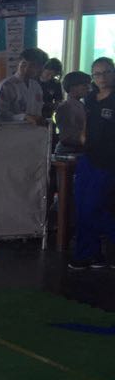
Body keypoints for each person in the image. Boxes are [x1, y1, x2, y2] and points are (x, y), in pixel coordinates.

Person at [72, 57, 115, 270]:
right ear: (92, 77)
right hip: (88, 157)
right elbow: (86, 121)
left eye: (106, 72)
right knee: (81, 207)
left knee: (94, 207)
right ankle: (88, 254)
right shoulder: (90, 98)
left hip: (108, 161)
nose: (102, 77)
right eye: (97, 74)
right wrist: (83, 135)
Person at [0, 47, 47, 126]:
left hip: (34, 130)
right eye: (36, 66)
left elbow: (38, 111)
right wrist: (24, 117)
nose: (39, 71)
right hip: (12, 130)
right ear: (22, 64)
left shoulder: (36, 86)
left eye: (40, 67)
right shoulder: (6, 86)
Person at [54, 71, 89, 157]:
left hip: (79, 150)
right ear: (73, 87)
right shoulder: (65, 107)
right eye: (84, 85)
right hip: (68, 152)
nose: (88, 88)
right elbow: (66, 136)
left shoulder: (82, 105)